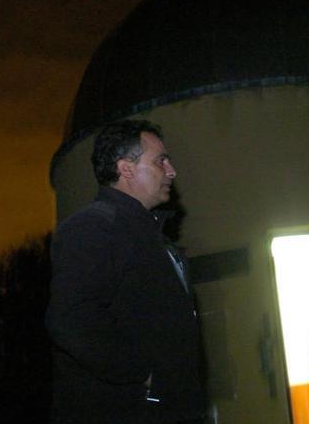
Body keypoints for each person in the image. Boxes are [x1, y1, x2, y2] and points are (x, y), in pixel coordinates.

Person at [45, 120, 206, 423]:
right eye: (160, 160)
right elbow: (71, 320)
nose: (172, 171)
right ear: (126, 168)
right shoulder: (92, 228)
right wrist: (147, 377)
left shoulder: (154, 239)